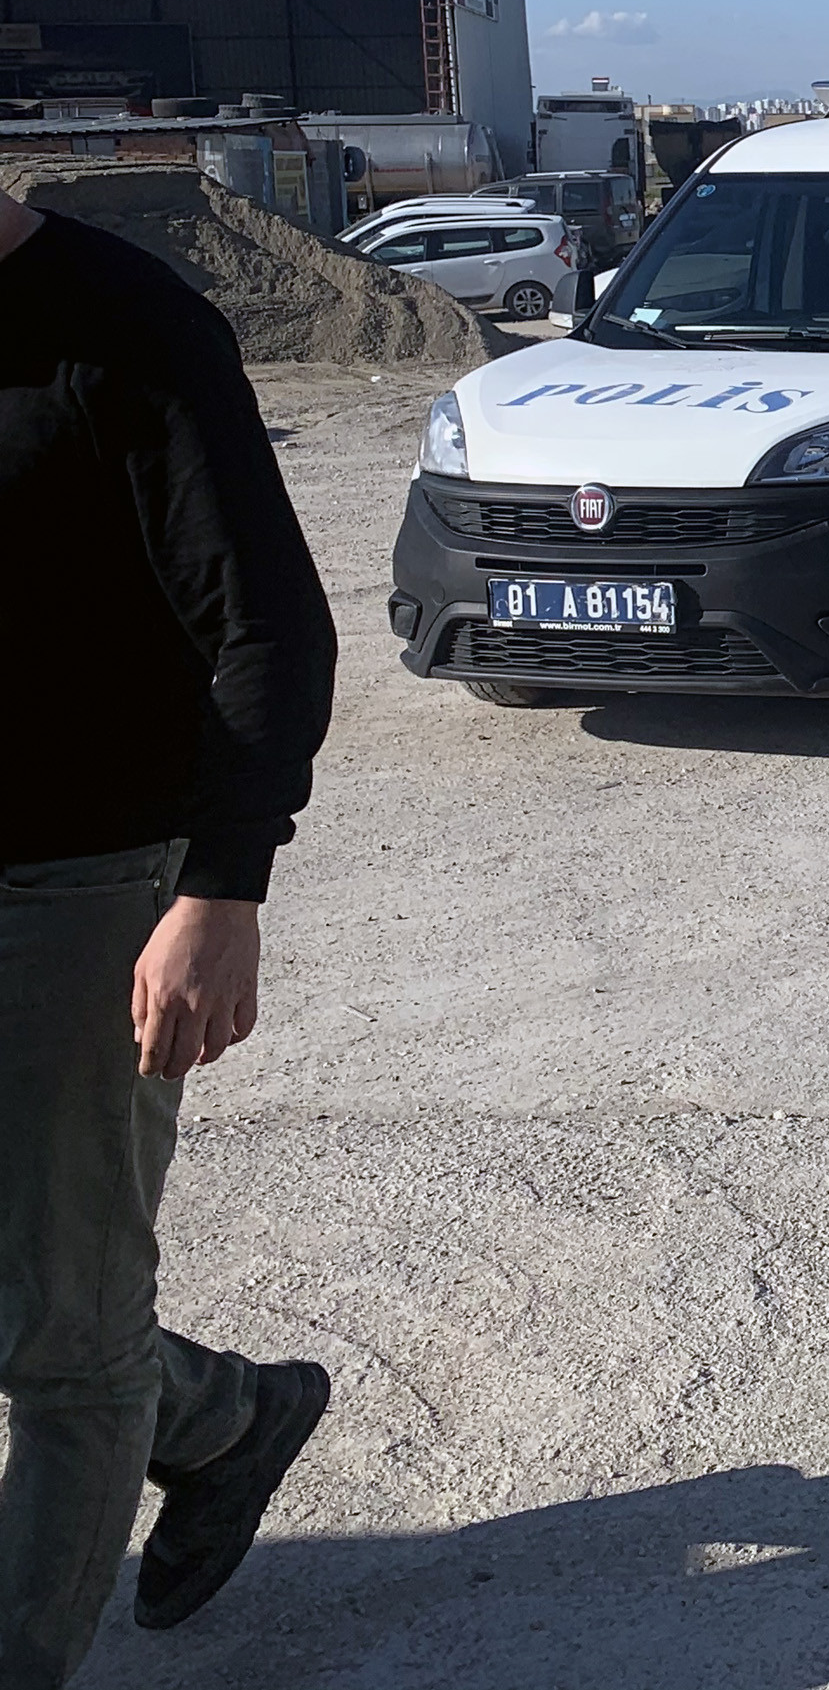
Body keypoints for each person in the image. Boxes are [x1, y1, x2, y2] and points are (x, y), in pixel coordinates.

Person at [0, 178, 339, 1682]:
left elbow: (270, 626)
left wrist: (223, 887)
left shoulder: (131, 330)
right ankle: (223, 1417)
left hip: (79, 885)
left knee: (66, 1336)